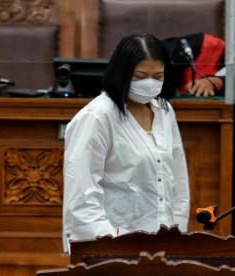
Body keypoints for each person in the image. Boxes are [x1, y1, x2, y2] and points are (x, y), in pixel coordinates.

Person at [62, 33, 190, 253]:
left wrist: (177, 235)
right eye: (141, 76)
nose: (150, 83)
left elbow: (177, 180)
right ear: (122, 73)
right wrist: (112, 246)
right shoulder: (96, 117)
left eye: (158, 76)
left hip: (162, 245)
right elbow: (82, 196)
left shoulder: (165, 111)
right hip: (112, 247)